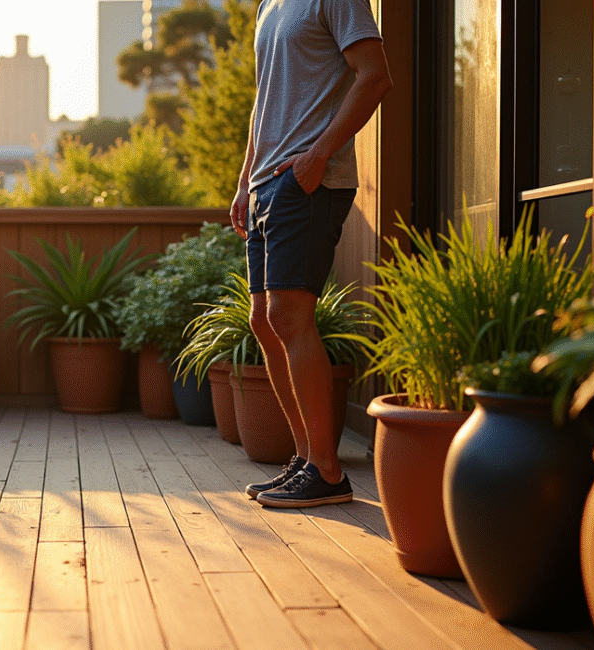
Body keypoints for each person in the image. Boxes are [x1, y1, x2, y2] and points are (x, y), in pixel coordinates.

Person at [229, 0, 392, 508]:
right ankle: (306, 460)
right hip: (266, 182)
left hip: (307, 181)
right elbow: (265, 101)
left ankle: (326, 469)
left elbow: (375, 76)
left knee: (289, 315)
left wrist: (319, 154)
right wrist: (245, 180)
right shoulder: (268, 5)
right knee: (264, 320)